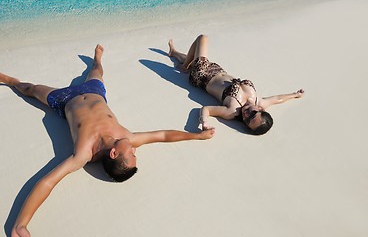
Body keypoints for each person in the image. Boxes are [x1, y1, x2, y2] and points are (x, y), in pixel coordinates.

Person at [1, 44, 215, 237]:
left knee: (30, 89)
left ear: (114, 153)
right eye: (133, 154)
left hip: (63, 100)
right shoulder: (127, 138)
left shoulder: (84, 153)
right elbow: (164, 136)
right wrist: (196, 136)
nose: (134, 150)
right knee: (96, 72)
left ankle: (11, 82)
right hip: (95, 92)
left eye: (131, 155)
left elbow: (48, 181)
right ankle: (97, 59)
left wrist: (21, 224)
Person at [168, 34, 305, 135]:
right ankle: (174, 53)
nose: (246, 115)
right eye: (252, 115)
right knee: (193, 58)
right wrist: (295, 95)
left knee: (202, 39)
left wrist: (204, 123)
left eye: (247, 121)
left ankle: (185, 67)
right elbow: (277, 99)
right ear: (260, 109)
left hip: (201, 75)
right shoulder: (260, 101)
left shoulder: (232, 111)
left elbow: (206, 109)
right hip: (218, 70)